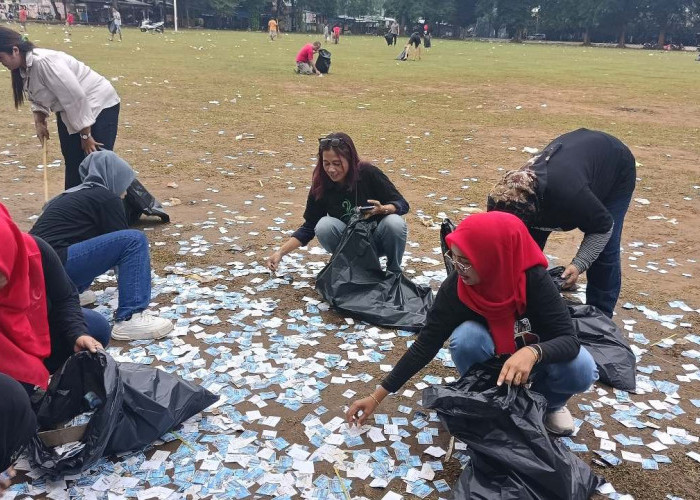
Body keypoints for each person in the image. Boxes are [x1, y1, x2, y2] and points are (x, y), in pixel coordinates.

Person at [346, 212, 598, 436]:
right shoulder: (457, 287)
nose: (459, 268)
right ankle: (490, 400)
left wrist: (533, 352)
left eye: (467, 261)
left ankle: (547, 405)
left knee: (582, 367)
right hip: (493, 361)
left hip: (536, 362)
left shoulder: (534, 280)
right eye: (454, 258)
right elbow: (426, 344)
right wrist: (376, 397)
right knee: (466, 337)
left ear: (494, 257)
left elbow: (568, 339)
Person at [1, 203, 111, 489]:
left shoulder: (36, 252)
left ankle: (52, 390)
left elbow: (65, 297)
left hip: (34, 333)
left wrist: (77, 334)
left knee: (95, 328)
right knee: (15, 400)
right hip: (5, 356)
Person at [487, 128, 636, 318]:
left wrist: (579, 264)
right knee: (526, 255)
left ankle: (601, 316)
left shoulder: (569, 196)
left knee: (605, 250)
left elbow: (603, 227)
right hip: (574, 160)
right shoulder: (504, 194)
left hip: (614, 167)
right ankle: (522, 303)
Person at [30, 151, 174, 341]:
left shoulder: (72, 195)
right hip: (53, 265)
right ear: (114, 177)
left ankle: (70, 293)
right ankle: (130, 318)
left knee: (90, 242)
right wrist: (136, 279)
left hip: (36, 273)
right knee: (134, 240)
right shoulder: (106, 197)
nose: (125, 192)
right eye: (125, 182)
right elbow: (123, 248)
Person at [267, 132, 409, 274]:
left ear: (350, 160)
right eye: (326, 163)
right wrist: (280, 253)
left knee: (394, 222)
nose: (331, 170)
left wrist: (384, 209)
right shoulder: (321, 184)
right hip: (351, 243)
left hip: (379, 240)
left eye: (337, 163)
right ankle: (354, 267)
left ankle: (394, 272)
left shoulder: (368, 173)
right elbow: (309, 226)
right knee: (323, 225)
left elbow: (402, 204)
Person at [0, 27, 121, 190]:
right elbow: (37, 94)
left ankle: (100, 207)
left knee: (95, 161)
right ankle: (72, 208)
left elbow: (75, 97)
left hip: (98, 103)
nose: (2, 64)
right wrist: (40, 120)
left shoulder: (43, 62)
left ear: (15, 50)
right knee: (73, 159)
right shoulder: (23, 68)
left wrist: (86, 136)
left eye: (1, 58)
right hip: (69, 110)